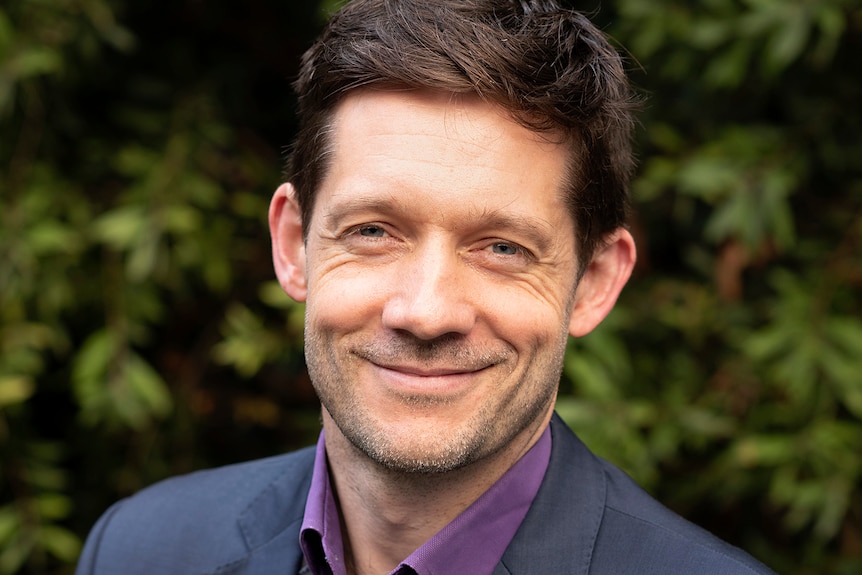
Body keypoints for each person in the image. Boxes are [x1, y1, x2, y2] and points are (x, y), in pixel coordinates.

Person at [76, 1, 776, 574]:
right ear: (293, 245)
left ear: (593, 282)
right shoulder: (140, 549)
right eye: (375, 231)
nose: (426, 310)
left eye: (502, 247)